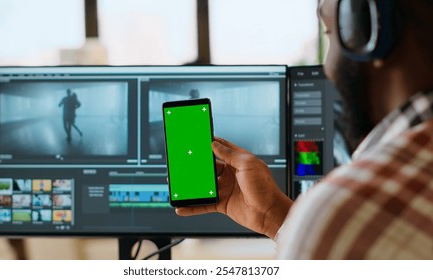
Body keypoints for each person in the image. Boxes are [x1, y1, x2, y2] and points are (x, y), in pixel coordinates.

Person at [177, 0, 433, 259]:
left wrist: (312, 224)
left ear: (368, 32)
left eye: (329, 33)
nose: (327, 69)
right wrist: (274, 216)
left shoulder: (342, 216)